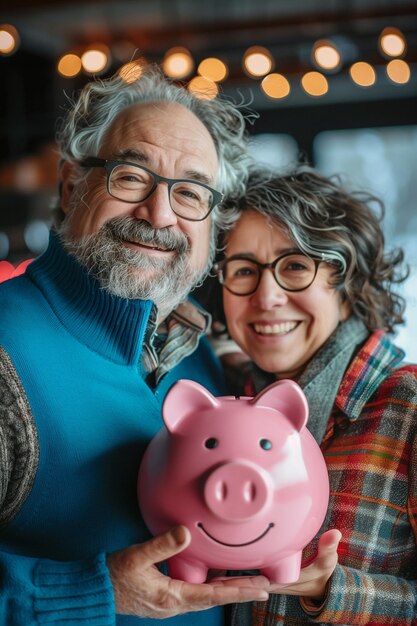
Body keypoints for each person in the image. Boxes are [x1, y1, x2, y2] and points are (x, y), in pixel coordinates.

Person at [0, 64, 272, 626]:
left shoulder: (204, 359)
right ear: (72, 185)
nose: (160, 213)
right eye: (130, 177)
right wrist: (89, 591)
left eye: (192, 193)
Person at [212, 165, 417, 625]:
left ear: (348, 284)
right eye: (244, 270)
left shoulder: (408, 406)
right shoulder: (224, 403)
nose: (266, 296)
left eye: (296, 266)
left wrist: (338, 592)